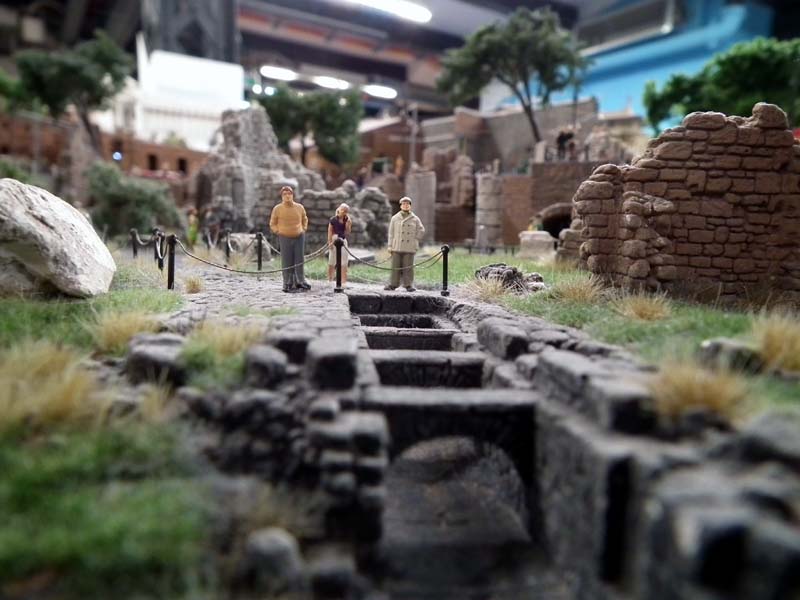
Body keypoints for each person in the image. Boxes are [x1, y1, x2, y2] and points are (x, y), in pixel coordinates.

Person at [269, 186, 310, 293]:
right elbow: (272, 223)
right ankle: (287, 282)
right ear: (282, 196)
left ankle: (300, 280)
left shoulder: (299, 207)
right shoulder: (277, 209)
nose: (287, 196)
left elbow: (304, 219)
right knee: (287, 260)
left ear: (292, 195)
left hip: (299, 236)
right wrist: (277, 231)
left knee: (299, 259)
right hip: (284, 236)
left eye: (289, 194)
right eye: (285, 194)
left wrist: (303, 229)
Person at [385, 196, 425, 292]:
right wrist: (390, 245)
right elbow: (391, 233)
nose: (405, 205)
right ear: (400, 206)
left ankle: (408, 285)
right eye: (403, 204)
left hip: (409, 246)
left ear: (410, 206)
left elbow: (421, 230)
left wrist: (415, 239)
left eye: (407, 204)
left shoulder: (415, 218)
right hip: (397, 246)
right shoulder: (395, 218)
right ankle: (393, 284)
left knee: (408, 267)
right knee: (395, 266)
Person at [328, 203, 352, 285]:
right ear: (339, 209)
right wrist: (330, 242)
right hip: (334, 239)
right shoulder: (333, 219)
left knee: (344, 261)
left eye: (345, 211)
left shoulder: (346, 220)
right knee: (332, 260)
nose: (343, 212)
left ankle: (343, 281)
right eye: (342, 210)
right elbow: (330, 231)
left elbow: (347, 232)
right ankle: (330, 279)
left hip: (343, 240)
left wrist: (348, 223)